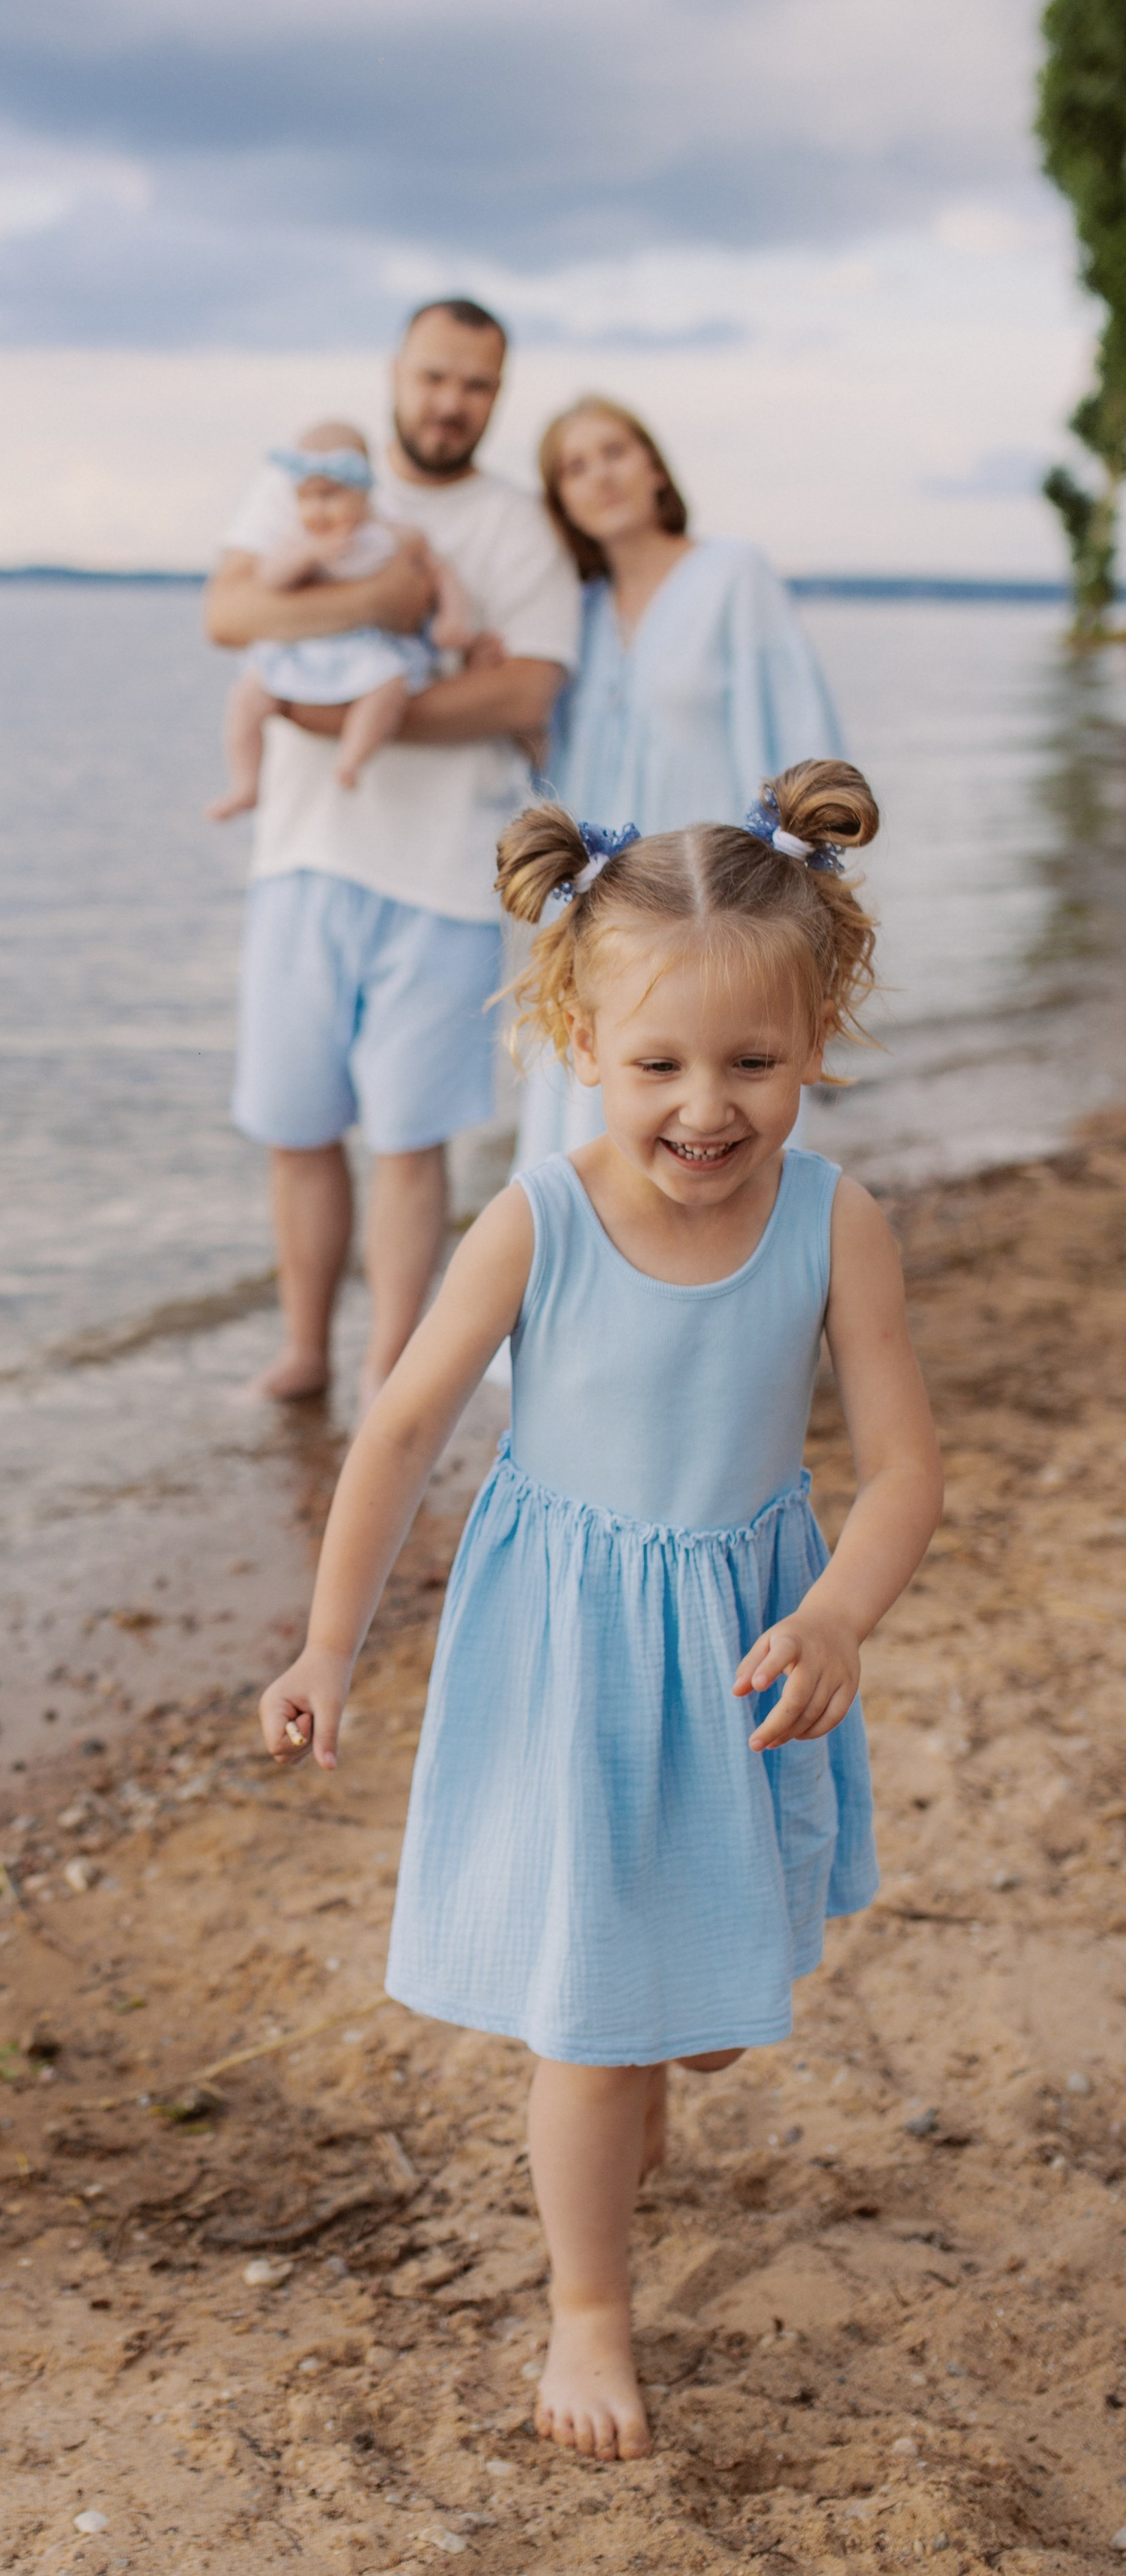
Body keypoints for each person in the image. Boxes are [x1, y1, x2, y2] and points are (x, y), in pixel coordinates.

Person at [260, 759, 942, 2461]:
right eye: (654, 1065)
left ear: (815, 1036)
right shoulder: (540, 1218)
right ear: (576, 1045)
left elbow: (905, 1469)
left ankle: (645, 2067)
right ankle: (586, 2309)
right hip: (568, 1652)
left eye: (749, 1064)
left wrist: (841, 1616)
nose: (701, 1108)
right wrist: (327, 1644)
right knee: (589, 2015)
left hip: (734, 1650)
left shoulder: (831, 1223)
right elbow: (404, 1423)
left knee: (703, 2028)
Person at [205, 301, 578, 1407]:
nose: (449, 403)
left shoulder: (516, 527)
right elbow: (226, 612)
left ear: (496, 395)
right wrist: (382, 604)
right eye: (433, 377)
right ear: (396, 374)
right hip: (302, 863)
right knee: (294, 1125)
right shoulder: (314, 477)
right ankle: (305, 1349)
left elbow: (526, 687)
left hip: (444, 883)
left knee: (411, 1146)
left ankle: (386, 1370)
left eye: (475, 385)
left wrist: (347, 712)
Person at [518, 397, 846, 1167]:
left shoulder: (734, 575)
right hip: (603, 919)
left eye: (616, 451)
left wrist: (798, 905)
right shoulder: (578, 612)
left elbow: (803, 739)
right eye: (575, 466)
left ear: (655, 465)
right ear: (559, 500)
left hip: (718, 917)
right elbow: (550, 763)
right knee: (588, 1135)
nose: (600, 475)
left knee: (718, 1125)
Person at [207, 421, 471, 817]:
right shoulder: (299, 540)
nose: (317, 509)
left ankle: (352, 760)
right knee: (247, 697)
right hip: (306, 646)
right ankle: (245, 782)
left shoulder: (389, 535)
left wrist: (453, 615)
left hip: (368, 645)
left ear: (363, 493)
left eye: (330, 496)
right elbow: (269, 578)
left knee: (389, 687)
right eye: (306, 498)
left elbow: (438, 570)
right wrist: (310, 555)